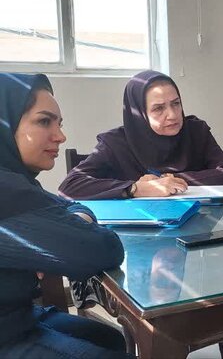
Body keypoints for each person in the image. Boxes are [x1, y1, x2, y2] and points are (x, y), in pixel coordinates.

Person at [0, 73, 128, 358]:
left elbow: (69, 205)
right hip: (6, 334)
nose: (60, 136)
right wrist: (68, 230)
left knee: (109, 338)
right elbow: (103, 249)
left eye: (59, 124)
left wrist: (74, 222)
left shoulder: (17, 182)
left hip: (18, 315)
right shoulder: (7, 190)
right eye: (44, 121)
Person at [58, 71, 223, 200]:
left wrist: (172, 181)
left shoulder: (196, 131)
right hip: (137, 232)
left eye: (176, 104)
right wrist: (136, 188)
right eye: (159, 108)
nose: (172, 115)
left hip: (199, 225)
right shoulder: (115, 144)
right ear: (139, 113)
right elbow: (69, 186)